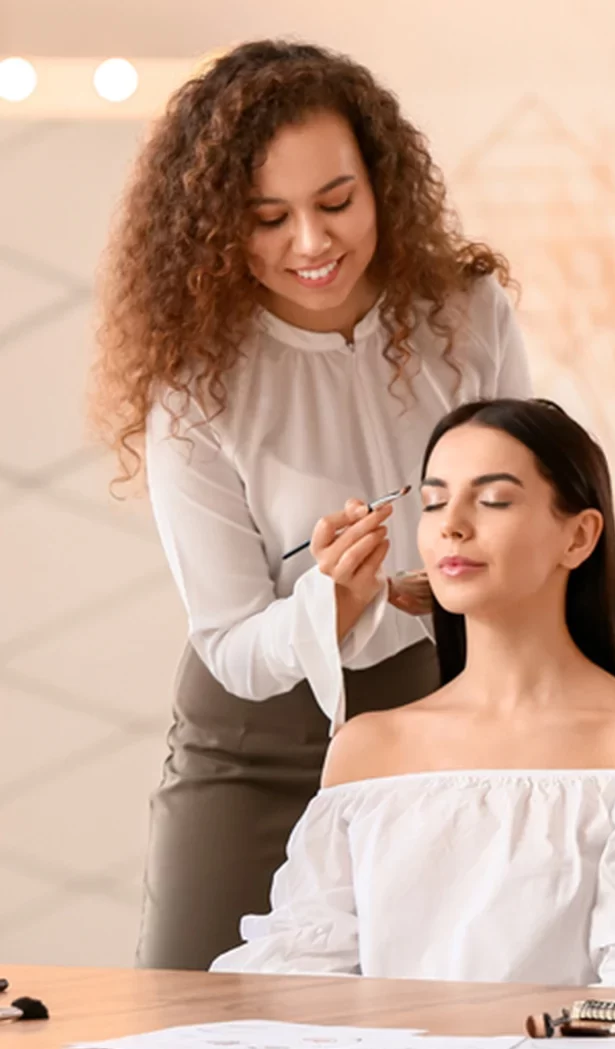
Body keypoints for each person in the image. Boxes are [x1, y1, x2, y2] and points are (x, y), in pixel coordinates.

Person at [92, 39, 531, 971]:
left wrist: (453, 576)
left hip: (431, 714)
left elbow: (530, 511)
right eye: (267, 217)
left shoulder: (466, 312)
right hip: (249, 745)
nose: (311, 243)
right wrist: (326, 608)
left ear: (381, 183)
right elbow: (231, 644)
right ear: (217, 226)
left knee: (423, 1020)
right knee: (187, 1013)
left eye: (336, 203)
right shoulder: (194, 382)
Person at [210, 398, 615, 987]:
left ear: (579, 537)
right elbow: (300, 981)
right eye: (435, 500)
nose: (452, 524)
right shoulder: (368, 748)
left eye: (493, 500)